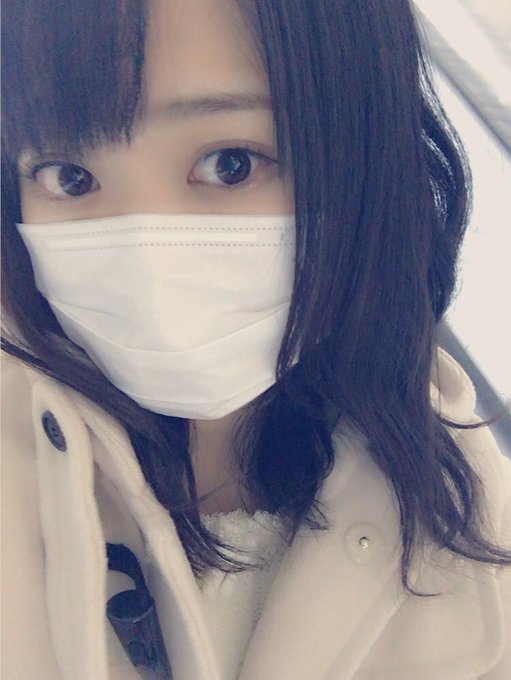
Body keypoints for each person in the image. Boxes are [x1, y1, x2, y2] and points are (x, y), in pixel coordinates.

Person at [1, 0, 510, 678]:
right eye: (69, 178)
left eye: (231, 164)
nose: (150, 262)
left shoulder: (465, 505)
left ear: (364, 159)